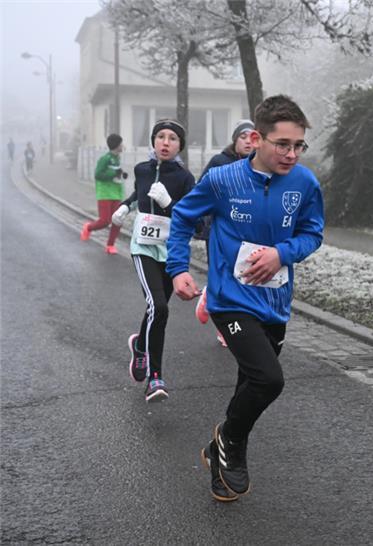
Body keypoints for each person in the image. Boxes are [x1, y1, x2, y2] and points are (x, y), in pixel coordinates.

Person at [166, 95, 324, 502]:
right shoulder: (223, 180)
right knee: (269, 379)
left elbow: (312, 233)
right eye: (282, 144)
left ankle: (217, 456)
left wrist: (281, 254)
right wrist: (178, 269)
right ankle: (230, 441)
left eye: (298, 146)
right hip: (230, 299)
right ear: (257, 139)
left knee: (248, 385)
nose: (291, 154)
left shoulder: (305, 184)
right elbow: (183, 217)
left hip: (275, 301)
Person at [110, 119, 195, 403]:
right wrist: (125, 206)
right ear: (153, 141)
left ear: (180, 145)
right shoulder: (142, 169)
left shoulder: (184, 178)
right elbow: (138, 192)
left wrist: (169, 204)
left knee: (156, 309)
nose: (166, 142)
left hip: (170, 251)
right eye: (160, 136)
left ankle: (140, 348)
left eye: (172, 138)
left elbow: (191, 220)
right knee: (158, 306)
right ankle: (155, 377)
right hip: (144, 247)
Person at [193, 119, 255, 347]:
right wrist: (198, 222)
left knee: (239, 280)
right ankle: (223, 330)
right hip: (218, 231)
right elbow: (200, 192)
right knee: (222, 278)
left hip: (245, 233)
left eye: (252, 137)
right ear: (235, 140)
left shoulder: (258, 166)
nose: (248, 141)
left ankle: (209, 295)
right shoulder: (220, 162)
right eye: (243, 137)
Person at [81, 134, 128, 254]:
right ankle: (88, 227)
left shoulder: (117, 158)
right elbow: (98, 175)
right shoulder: (105, 159)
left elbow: (114, 171)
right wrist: (114, 173)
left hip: (116, 193)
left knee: (118, 220)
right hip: (104, 193)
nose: (123, 146)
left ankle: (110, 245)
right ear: (117, 145)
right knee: (105, 221)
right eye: (121, 143)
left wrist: (121, 174)